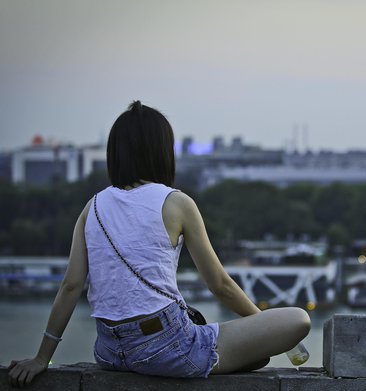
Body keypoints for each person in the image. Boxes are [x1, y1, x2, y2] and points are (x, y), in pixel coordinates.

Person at [8, 101, 311, 387]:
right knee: (298, 319)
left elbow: (71, 286)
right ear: (162, 151)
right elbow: (220, 285)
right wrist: (263, 326)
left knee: (256, 354)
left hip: (110, 352)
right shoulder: (176, 203)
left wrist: (41, 358)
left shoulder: (93, 207)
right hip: (168, 347)